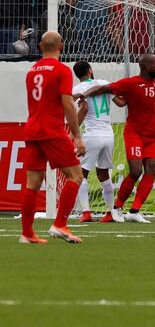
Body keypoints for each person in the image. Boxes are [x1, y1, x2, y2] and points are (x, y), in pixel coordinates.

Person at [74, 54, 155, 222]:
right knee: (135, 171)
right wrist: (85, 94)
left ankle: (134, 211)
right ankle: (116, 208)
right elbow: (103, 89)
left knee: (152, 169)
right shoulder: (130, 83)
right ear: (145, 66)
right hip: (135, 134)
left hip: (152, 136)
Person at [19, 31, 85, 243]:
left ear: (39, 46)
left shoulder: (32, 70)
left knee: (33, 182)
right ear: (62, 46)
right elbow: (67, 103)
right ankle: (60, 224)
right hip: (52, 130)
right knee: (76, 176)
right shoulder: (61, 70)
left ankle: (27, 233)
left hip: (32, 130)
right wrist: (76, 135)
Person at [71, 60, 125, 223]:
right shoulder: (104, 84)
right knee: (104, 175)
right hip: (108, 134)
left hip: (92, 135)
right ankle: (110, 213)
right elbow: (121, 103)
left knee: (81, 174)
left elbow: (85, 108)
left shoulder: (77, 89)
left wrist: (74, 132)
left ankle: (86, 212)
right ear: (90, 70)